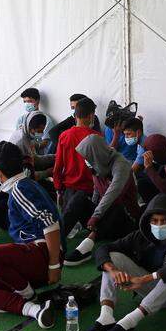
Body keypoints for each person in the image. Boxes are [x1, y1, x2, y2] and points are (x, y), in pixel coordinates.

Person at [78, 194, 166, 331]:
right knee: (113, 257)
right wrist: (112, 270)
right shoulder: (141, 236)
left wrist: (145, 279)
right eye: (155, 221)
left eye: (164, 221)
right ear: (148, 221)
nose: (159, 225)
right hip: (152, 291)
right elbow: (104, 249)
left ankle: (130, 321)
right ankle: (106, 317)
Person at [0, 142, 61, 329]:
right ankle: (34, 310)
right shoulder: (22, 186)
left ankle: (27, 294)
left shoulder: (20, 188)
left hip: (42, 253)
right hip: (32, 258)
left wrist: (54, 265)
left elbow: (51, 224)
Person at [68, 133, 143, 266]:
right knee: (79, 197)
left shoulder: (121, 165)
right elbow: (97, 191)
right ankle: (59, 239)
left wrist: (95, 217)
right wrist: (93, 213)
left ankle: (86, 246)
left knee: (115, 206)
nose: (86, 160)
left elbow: (113, 194)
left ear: (96, 153)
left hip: (125, 219)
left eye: (88, 157)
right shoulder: (97, 165)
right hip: (105, 219)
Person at [53, 97, 99, 247]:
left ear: (75, 115)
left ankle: (55, 244)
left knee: (66, 220)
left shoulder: (64, 136)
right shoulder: (97, 137)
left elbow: (58, 166)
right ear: (91, 115)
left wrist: (59, 189)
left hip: (69, 190)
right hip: (90, 192)